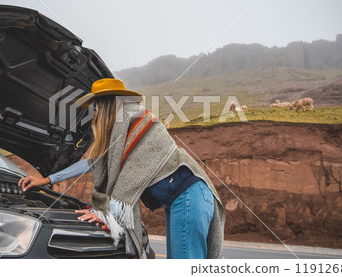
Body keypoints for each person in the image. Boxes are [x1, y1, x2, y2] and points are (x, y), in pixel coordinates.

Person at [18, 78, 226, 259]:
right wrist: (47, 180)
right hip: (182, 199)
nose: (95, 112)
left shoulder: (137, 118)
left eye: (96, 106)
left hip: (190, 196)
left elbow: (134, 174)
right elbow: (92, 163)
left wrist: (106, 212)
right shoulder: (121, 133)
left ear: (107, 103)